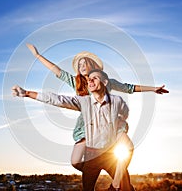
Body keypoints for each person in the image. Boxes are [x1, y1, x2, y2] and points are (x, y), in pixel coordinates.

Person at [26, 44, 169, 189]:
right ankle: (100, 168)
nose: (81, 66)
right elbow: (57, 71)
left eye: (84, 63)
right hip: (88, 127)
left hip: (108, 124)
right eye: (79, 64)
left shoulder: (106, 81)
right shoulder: (77, 83)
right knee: (75, 162)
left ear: (92, 65)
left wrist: (153, 89)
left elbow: (129, 87)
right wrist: (37, 56)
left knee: (127, 148)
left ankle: (117, 182)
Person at [12, 69, 136, 191]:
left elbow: (124, 114)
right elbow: (57, 100)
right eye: (89, 79)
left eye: (95, 78)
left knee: (126, 185)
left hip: (111, 155)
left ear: (105, 82)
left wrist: (117, 127)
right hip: (92, 156)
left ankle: (114, 186)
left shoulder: (117, 101)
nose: (90, 81)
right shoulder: (84, 102)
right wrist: (27, 93)